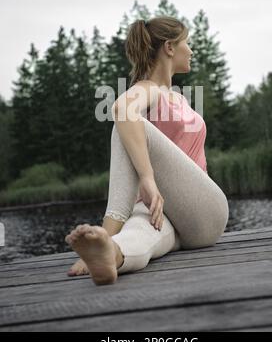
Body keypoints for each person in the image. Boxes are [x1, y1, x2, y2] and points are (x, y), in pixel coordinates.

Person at [65, 16, 229, 285]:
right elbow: (122, 109)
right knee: (139, 234)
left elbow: (123, 111)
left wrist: (147, 178)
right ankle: (111, 253)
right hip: (161, 210)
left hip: (204, 212)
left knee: (125, 123)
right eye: (187, 42)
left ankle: (109, 227)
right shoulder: (148, 90)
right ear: (169, 47)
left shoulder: (174, 96)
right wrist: (147, 180)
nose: (191, 49)